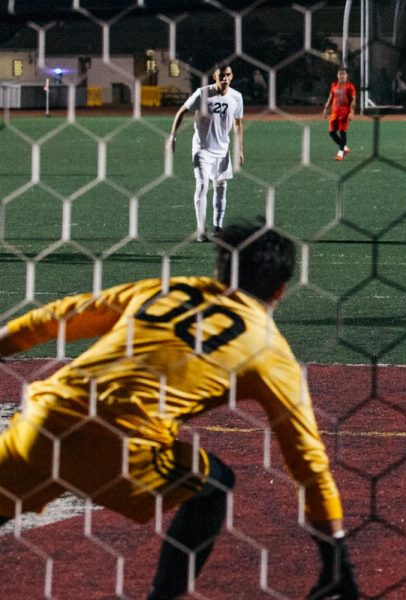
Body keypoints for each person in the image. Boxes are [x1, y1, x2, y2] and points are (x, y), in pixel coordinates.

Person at [0, 221, 360, 600]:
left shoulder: (169, 289)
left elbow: (62, 315)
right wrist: (337, 562)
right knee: (214, 486)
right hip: (121, 450)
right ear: (281, 289)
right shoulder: (269, 349)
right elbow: (308, 461)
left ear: (219, 271)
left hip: (42, 420)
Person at [168, 64, 244, 243]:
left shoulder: (236, 97)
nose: (225, 79)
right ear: (214, 77)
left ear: (232, 76)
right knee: (202, 186)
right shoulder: (202, 94)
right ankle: (201, 230)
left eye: (228, 75)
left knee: (221, 188)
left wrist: (239, 149)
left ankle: (218, 228)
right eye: (221, 76)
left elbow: (238, 123)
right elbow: (181, 112)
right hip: (202, 149)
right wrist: (172, 137)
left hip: (222, 150)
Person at [323, 67, 357, 161]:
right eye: (340, 74)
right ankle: (345, 148)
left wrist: (352, 112)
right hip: (335, 112)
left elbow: (353, 100)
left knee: (342, 132)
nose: (342, 75)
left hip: (344, 112)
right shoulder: (333, 85)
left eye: (344, 74)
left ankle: (340, 153)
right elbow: (330, 98)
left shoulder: (350, 86)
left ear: (347, 75)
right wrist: (326, 109)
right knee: (331, 132)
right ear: (337, 75)